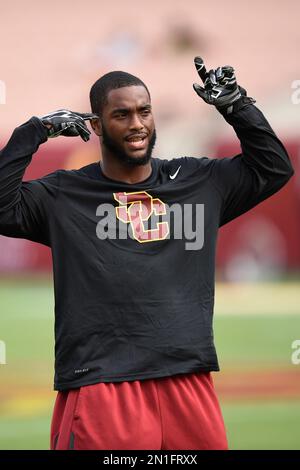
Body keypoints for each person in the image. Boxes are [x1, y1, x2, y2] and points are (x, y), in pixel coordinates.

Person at [0, 57, 294, 450]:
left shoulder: (198, 181)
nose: (137, 123)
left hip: (188, 380)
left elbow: (274, 168)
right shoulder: (64, 194)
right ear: (96, 126)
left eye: (144, 111)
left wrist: (237, 105)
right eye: (121, 114)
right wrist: (33, 132)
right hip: (101, 386)